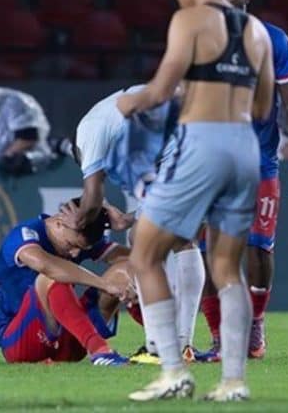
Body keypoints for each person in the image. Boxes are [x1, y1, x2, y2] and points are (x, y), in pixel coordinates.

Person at [117, 0, 273, 402]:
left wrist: (128, 102)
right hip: (245, 148)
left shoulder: (189, 20)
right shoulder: (258, 32)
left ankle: (172, 371)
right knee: (227, 266)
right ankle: (234, 382)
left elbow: (160, 91)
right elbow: (263, 107)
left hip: (202, 143)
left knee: (144, 252)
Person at [194, 0, 288, 362]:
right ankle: (219, 339)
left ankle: (256, 325)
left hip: (258, 162)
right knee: (208, 252)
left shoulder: (273, 41)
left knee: (258, 248)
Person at [71, 85, 206, 364]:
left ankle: (163, 347)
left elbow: (92, 196)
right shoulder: (122, 133)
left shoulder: (88, 132)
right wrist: (126, 218)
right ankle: (180, 345)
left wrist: (77, 223)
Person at [0, 199, 133, 365]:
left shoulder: (77, 235)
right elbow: (46, 266)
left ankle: (154, 345)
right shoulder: (24, 234)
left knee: (127, 269)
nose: (75, 253)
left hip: (72, 343)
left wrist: (129, 220)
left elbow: (142, 260)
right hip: (22, 341)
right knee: (51, 277)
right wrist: (104, 285)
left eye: (81, 249)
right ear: (59, 223)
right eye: (71, 245)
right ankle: (100, 350)